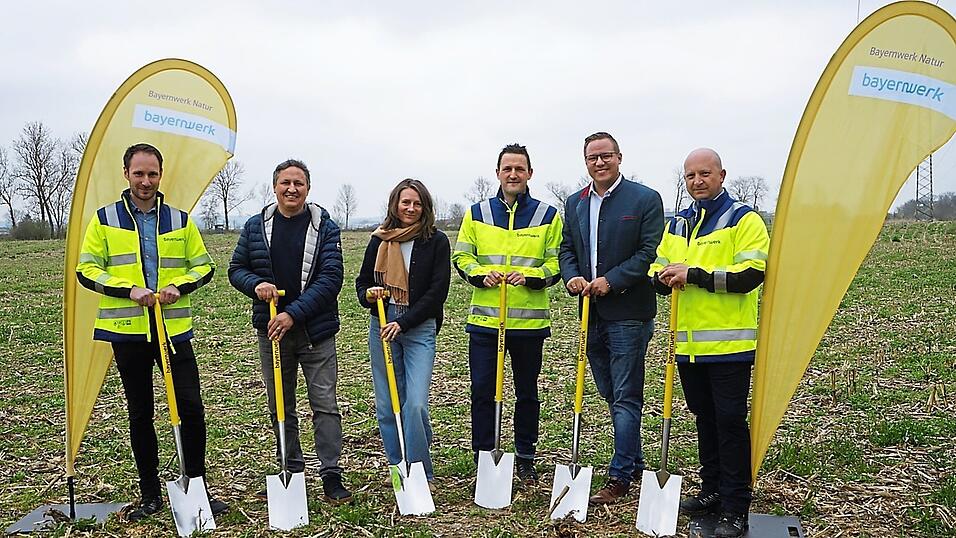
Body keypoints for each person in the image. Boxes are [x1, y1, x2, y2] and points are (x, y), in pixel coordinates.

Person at [75, 143, 227, 520]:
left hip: (173, 331)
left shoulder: (179, 219)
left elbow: (204, 266)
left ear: (161, 175)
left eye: (152, 174)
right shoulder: (105, 218)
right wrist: (129, 290)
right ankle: (150, 494)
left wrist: (180, 286)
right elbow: (86, 270)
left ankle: (196, 485)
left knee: (191, 409)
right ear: (126, 173)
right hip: (128, 331)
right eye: (139, 173)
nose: (146, 181)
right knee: (140, 413)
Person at [650, 148, 770, 538]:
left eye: (704, 173)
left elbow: (750, 275)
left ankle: (736, 506)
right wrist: (661, 277)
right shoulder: (678, 223)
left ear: (721, 175)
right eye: (690, 176)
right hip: (687, 347)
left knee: (731, 424)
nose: (697, 181)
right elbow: (657, 266)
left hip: (730, 346)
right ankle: (712, 489)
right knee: (705, 420)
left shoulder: (743, 220)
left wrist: (694, 274)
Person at [228, 158, 352, 503]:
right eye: (286, 182)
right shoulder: (256, 227)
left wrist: (292, 315)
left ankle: (331, 473)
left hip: (316, 332)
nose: (292, 189)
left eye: (299, 183)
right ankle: (291, 470)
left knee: (325, 404)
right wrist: (256, 285)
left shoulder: (325, 226)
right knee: (280, 405)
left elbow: (331, 279)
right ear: (275, 186)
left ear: (308, 189)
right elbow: (236, 268)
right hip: (273, 333)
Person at [558, 132, 664, 504]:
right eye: (592, 158)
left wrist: (611, 281)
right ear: (585, 162)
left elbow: (648, 252)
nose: (599, 163)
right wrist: (572, 275)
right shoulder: (575, 202)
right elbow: (567, 248)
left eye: (606, 156)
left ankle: (619, 477)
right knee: (610, 392)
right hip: (591, 313)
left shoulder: (645, 199)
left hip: (629, 314)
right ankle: (634, 460)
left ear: (619, 157)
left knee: (625, 395)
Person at [451, 143, 562, 483]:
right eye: (507, 168)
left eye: (520, 168)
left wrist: (532, 277)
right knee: (483, 390)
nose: (513, 174)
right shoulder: (477, 213)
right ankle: (484, 455)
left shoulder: (547, 216)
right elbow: (462, 257)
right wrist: (479, 274)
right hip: (485, 323)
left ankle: (525, 457)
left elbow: (556, 263)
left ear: (529, 173)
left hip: (529, 324)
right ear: (497, 173)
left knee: (526, 392)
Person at [355, 178, 450, 487]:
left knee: (416, 403)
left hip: (418, 326)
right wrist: (369, 294)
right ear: (395, 204)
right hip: (382, 324)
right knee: (387, 403)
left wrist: (405, 322)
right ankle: (399, 467)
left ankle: (421, 470)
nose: (410, 208)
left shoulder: (435, 241)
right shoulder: (379, 239)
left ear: (425, 207)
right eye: (405, 202)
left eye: (417, 203)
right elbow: (361, 283)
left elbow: (437, 292)